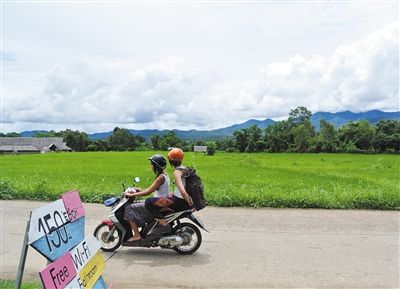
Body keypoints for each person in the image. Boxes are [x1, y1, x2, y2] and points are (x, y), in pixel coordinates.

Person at [123, 154, 171, 242]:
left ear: (156, 166)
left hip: (156, 204)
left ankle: (137, 235)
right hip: (158, 202)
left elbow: (148, 192)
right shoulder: (165, 175)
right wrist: (140, 190)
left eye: (152, 164)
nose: (151, 166)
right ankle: (143, 229)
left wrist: (132, 195)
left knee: (128, 208)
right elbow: (152, 189)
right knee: (136, 204)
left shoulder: (160, 177)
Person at [145, 148, 194, 223]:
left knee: (148, 202)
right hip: (181, 200)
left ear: (170, 160)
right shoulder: (184, 169)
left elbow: (182, 191)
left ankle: (162, 221)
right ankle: (168, 223)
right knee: (165, 198)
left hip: (180, 202)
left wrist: (191, 204)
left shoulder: (177, 171)